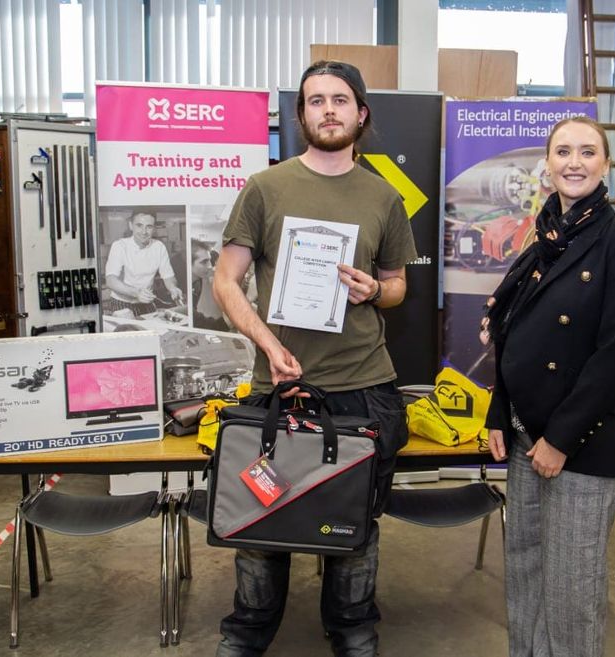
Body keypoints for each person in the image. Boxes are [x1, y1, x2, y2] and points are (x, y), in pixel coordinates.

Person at [211, 60, 417, 657]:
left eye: (340, 99)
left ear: (361, 113)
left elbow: (398, 284)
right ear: (300, 114)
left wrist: (374, 290)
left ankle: (353, 630)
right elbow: (226, 280)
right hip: (278, 387)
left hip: (363, 386)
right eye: (316, 100)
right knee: (260, 520)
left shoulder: (384, 196)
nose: (329, 109)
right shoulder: (264, 187)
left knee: (355, 523)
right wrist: (268, 344)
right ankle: (248, 634)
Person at [482, 116, 615, 657]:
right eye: (562, 152)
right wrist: (498, 412)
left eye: (586, 152)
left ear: (605, 164)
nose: (573, 162)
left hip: (580, 444)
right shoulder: (544, 239)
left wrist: (560, 439)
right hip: (525, 435)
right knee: (525, 571)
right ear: (547, 165)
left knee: (571, 588)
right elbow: (511, 334)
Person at [104, 211, 185, 316]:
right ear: (131, 225)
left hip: (147, 302)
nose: (144, 232)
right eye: (139, 225)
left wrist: (173, 288)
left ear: (154, 229)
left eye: (149, 227)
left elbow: (168, 276)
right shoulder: (120, 246)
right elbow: (111, 281)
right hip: (122, 303)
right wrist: (136, 292)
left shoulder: (159, 247)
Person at [191, 242, 229, 331]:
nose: (210, 266)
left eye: (209, 260)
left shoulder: (198, 283)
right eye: (204, 262)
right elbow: (212, 326)